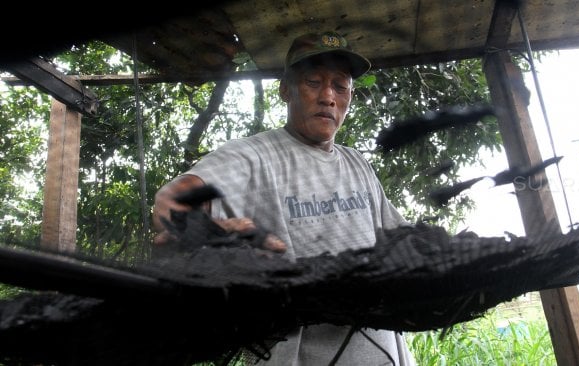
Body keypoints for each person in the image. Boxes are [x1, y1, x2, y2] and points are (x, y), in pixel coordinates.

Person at [153, 31, 415, 366]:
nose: (328, 97)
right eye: (313, 81)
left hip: (385, 354)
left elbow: (401, 240)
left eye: (340, 85)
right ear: (285, 89)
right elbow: (179, 194)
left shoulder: (357, 163)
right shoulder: (253, 156)